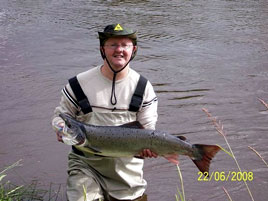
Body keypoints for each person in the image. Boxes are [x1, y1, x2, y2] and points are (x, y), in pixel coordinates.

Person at [52, 23, 178, 201]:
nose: (119, 50)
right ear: (102, 49)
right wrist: (59, 128)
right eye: (113, 44)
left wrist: (148, 150)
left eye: (124, 45)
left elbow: (148, 132)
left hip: (128, 174)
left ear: (133, 49)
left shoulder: (144, 88)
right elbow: (60, 117)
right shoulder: (77, 83)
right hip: (85, 166)